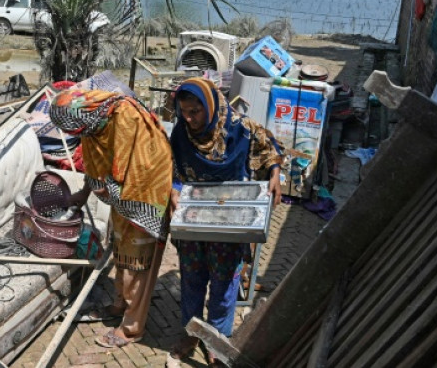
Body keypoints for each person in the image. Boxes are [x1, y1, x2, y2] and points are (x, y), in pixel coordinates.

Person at [168, 77, 283, 365]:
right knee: (192, 278)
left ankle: (216, 338)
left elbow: (269, 146)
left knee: (224, 281)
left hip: (230, 215)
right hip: (194, 215)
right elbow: (172, 168)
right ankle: (191, 333)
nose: (189, 118)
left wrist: (275, 175)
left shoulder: (239, 128)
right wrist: (173, 189)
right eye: (184, 111)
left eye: (195, 111)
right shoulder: (181, 133)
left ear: (210, 105)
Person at [49, 88, 173, 348]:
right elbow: (97, 162)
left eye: (78, 130)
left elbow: (143, 166)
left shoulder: (127, 117)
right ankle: (121, 306)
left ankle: (131, 329)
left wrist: (112, 187)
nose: (79, 136)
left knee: (138, 265)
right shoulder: (94, 123)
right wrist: (85, 193)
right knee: (121, 255)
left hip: (144, 201)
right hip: (120, 199)